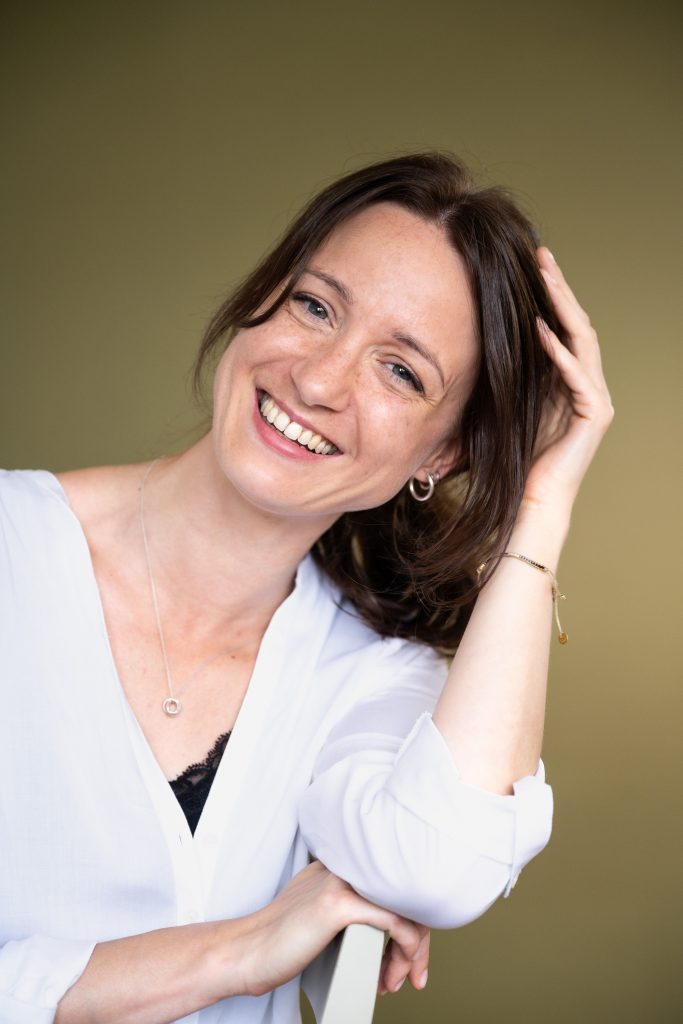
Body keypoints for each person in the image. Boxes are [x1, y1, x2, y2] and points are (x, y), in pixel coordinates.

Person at [0, 151, 614, 1024]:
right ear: (261, 297)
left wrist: (538, 510)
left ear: (441, 455)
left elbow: (440, 868)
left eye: (400, 371)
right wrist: (237, 953)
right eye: (315, 307)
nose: (319, 380)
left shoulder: (368, 675)